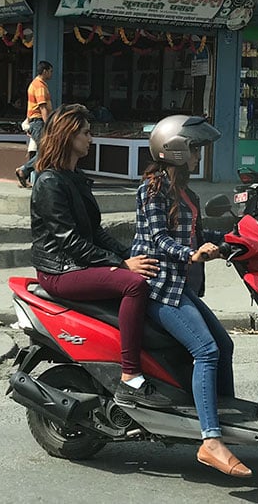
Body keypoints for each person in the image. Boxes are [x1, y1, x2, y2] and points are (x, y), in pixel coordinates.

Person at [133, 115, 249, 478]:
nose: (199, 156)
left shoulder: (187, 191)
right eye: (195, 149)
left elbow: (196, 232)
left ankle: (226, 419)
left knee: (225, 345)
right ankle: (210, 440)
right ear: (176, 151)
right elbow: (159, 240)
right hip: (160, 289)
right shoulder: (151, 190)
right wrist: (191, 255)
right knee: (206, 350)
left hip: (181, 287)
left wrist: (238, 232)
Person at [29, 104, 167, 408]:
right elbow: (70, 241)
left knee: (145, 274)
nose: (91, 139)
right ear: (68, 136)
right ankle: (131, 376)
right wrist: (121, 265)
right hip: (60, 271)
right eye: (86, 133)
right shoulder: (50, 182)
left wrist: (130, 253)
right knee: (134, 285)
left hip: (77, 262)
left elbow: (95, 231)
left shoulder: (74, 176)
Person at [15, 60, 54, 188]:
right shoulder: (40, 86)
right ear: (45, 71)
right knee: (45, 151)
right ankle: (25, 171)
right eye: (50, 71)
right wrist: (48, 124)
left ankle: (34, 179)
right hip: (38, 122)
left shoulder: (35, 84)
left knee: (43, 151)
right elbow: (42, 107)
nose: (51, 74)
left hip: (34, 122)